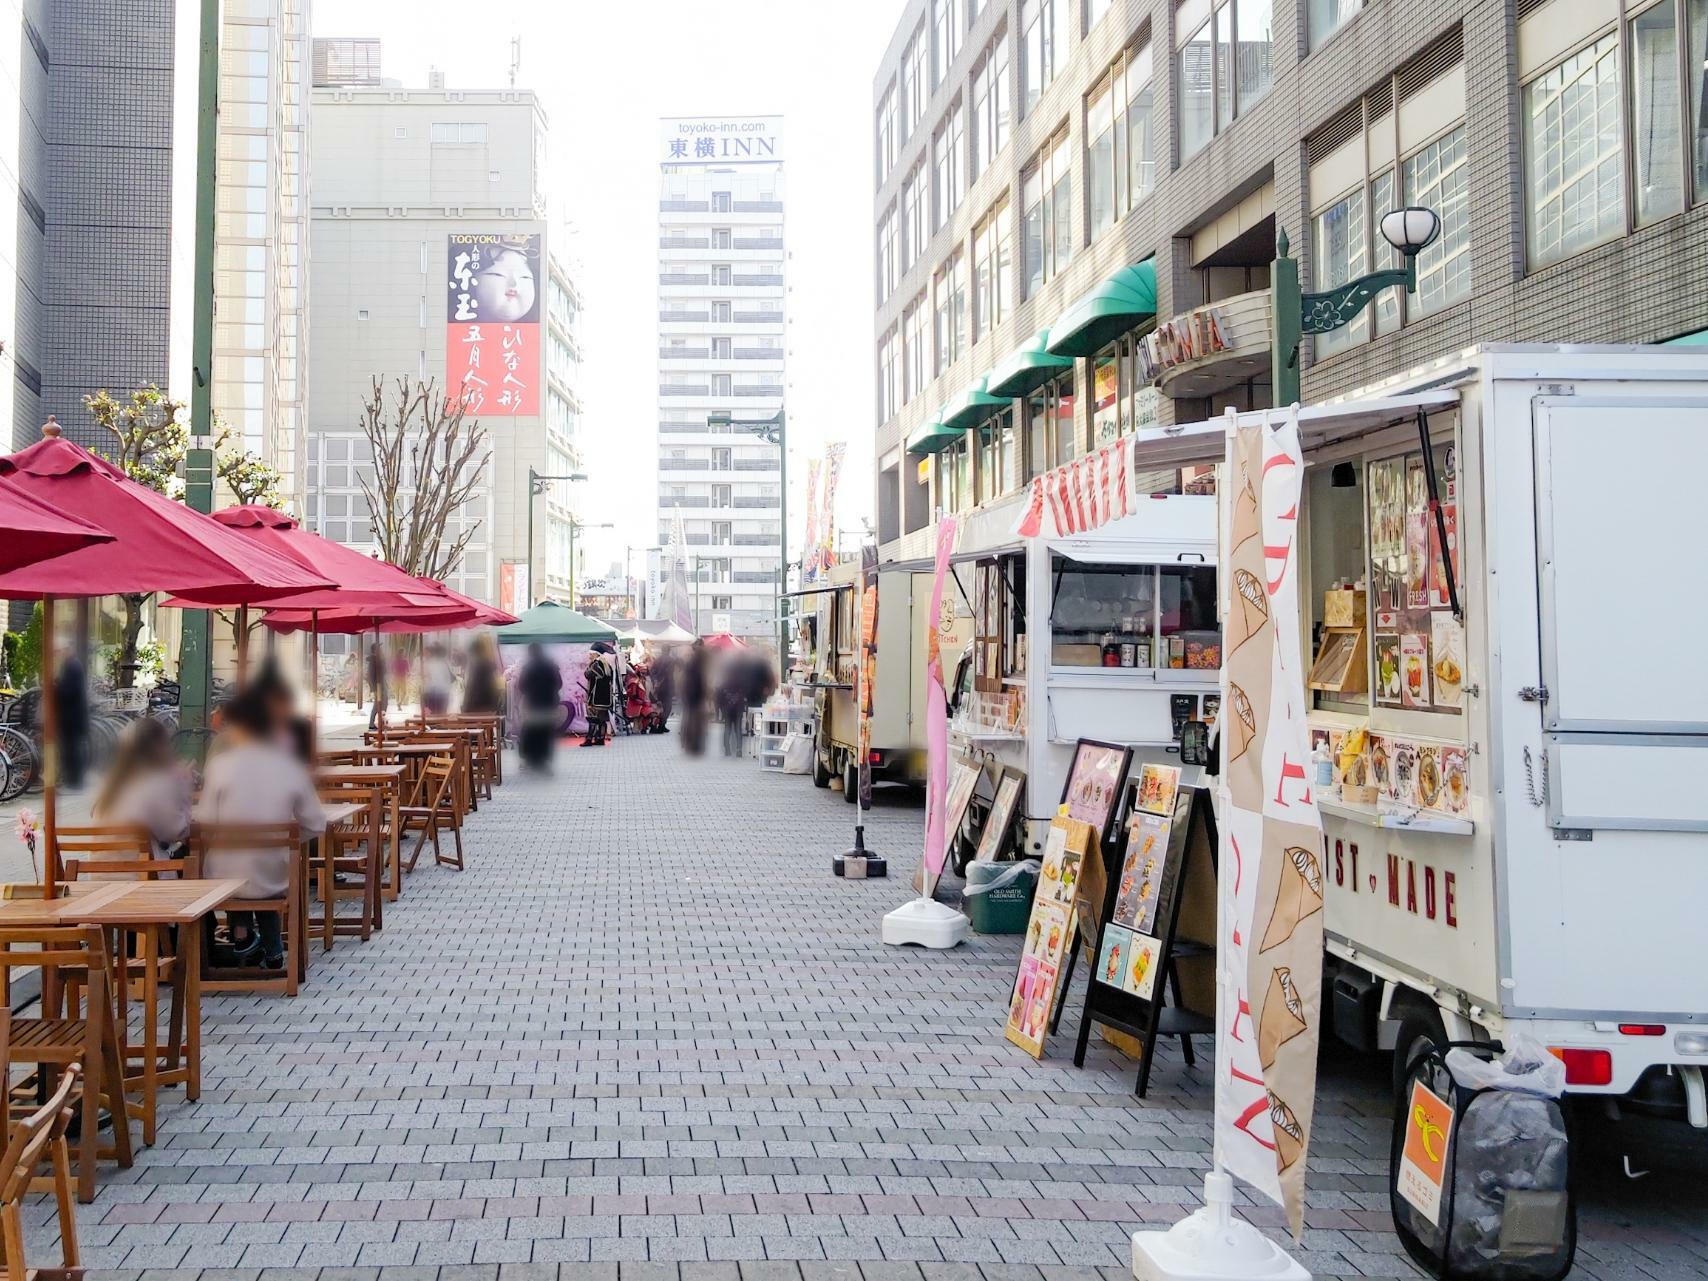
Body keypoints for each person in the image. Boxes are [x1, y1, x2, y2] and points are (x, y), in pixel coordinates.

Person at [200, 682, 326, 969]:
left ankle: (243, 938)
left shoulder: (221, 765)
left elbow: (206, 820)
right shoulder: (290, 766)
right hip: (274, 871)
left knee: (237, 867)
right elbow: (317, 823)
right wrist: (288, 838)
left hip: (224, 876)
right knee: (264, 870)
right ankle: (271, 948)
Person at [92, 717, 191, 862]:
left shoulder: (109, 786)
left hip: (100, 877)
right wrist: (183, 787)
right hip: (142, 877)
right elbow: (177, 831)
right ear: (159, 747)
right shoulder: (154, 784)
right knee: (190, 858)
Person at [516, 643, 563, 771]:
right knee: (546, 732)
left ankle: (531, 759)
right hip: (549, 703)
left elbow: (521, 686)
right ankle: (544, 759)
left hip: (533, 703)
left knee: (530, 730)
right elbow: (559, 684)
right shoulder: (551, 666)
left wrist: (532, 692)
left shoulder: (528, 667)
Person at [55, 646, 90, 791]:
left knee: (71, 747)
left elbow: (69, 691)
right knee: (72, 747)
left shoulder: (72, 666)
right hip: (74, 715)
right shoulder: (73, 665)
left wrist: (56, 687)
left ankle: (73, 780)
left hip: (71, 715)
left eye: (63, 651)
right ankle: (73, 779)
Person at [679, 639, 709, 756]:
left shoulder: (690, 661)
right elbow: (701, 681)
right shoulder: (698, 661)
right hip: (695, 695)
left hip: (690, 694)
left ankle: (690, 745)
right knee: (695, 721)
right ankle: (695, 745)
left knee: (690, 720)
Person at [461, 633, 503, 716]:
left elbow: (472, 688)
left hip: (477, 706)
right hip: (488, 705)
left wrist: (465, 707)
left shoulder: (477, 665)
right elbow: (493, 686)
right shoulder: (489, 663)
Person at [582, 647, 615, 746]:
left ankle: (589, 739)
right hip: (605, 697)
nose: (589, 656)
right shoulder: (607, 665)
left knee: (592, 717)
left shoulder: (596, 664)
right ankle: (600, 738)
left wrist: (588, 669)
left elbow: (588, 675)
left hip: (596, 696)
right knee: (602, 718)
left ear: (596, 654)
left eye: (591, 654)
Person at [422, 642, 454, 716]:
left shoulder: (429, 663)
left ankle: (431, 724)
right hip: (444, 692)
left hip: (431, 693)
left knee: (430, 714)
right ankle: (441, 726)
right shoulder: (445, 662)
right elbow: (448, 678)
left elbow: (428, 679)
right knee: (442, 713)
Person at [365, 639, 388, 730]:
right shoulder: (374, 661)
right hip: (378, 686)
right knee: (378, 704)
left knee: (383, 703)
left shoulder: (378, 659)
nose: (382, 650)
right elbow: (370, 676)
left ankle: (381, 721)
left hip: (381, 684)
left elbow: (384, 671)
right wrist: (373, 688)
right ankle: (372, 723)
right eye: (380, 648)